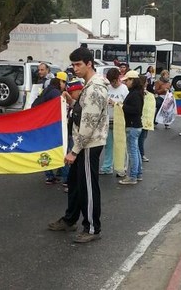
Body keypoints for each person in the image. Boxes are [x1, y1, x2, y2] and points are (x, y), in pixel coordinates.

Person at [48, 47, 108, 243]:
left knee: (88, 187)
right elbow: (84, 114)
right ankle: (70, 218)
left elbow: (89, 124)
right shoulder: (88, 86)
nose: (74, 68)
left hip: (88, 144)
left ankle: (92, 228)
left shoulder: (95, 89)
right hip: (83, 143)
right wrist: (71, 103)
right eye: (73, 64)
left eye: (78, 64)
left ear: (89, 63)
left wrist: (74, 151)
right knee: (74, 183)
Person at [32, 72, 68, 184]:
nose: (65, 85)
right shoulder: (56, 93)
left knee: (45, 150)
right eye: (65, 82)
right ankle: (61, 174)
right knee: (58, 148)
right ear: (60, 81)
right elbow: (59, 109)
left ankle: (49, 175)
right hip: (50, 126)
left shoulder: (47, 90)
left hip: (42, 125)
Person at [100, 68, 129, 175]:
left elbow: (127, 106)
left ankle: (122, 168)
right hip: (108, 120)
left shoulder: (124, 89)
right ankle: (107, 167)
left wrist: (115, 103)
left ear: (118, 79)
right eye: (111, 82)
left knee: (121, 145)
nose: (113, 84)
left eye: (114, 81)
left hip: (120, 121)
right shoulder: (107, 88)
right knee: (108, 145)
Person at [119, 70, 144, 185]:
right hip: (135, 125)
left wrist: (122, 106)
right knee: (136, 150)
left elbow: (135, 110)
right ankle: (138, 173)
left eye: (128, 80)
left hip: (133, 125)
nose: (126, 83)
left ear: (133, 80)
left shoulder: (134, 94)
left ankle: (133, 176)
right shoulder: (137, 92)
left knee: (132, 151)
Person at [62, 78, 85, 192]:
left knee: (76, 162)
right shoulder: (77, 103)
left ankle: (75, 185)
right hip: (73, 135)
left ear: (79, 90)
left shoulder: (83, 104)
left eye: (72, 92)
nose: (71, 94)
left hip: (80, 139)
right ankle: (72, 183)